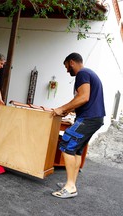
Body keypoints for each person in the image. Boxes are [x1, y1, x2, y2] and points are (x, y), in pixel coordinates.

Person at [52, 52, 105, 199]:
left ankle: (70, 188)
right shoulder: (88, 73)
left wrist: (62, 109)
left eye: (66, 66)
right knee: (76, 150)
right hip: (94, 118)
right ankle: (71, 183)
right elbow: (83, 99)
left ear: (72, 62)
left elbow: (83, 97)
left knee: (66, 143)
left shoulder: (82, 73)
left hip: (89, 118)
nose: (67, 70)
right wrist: (68, 109)